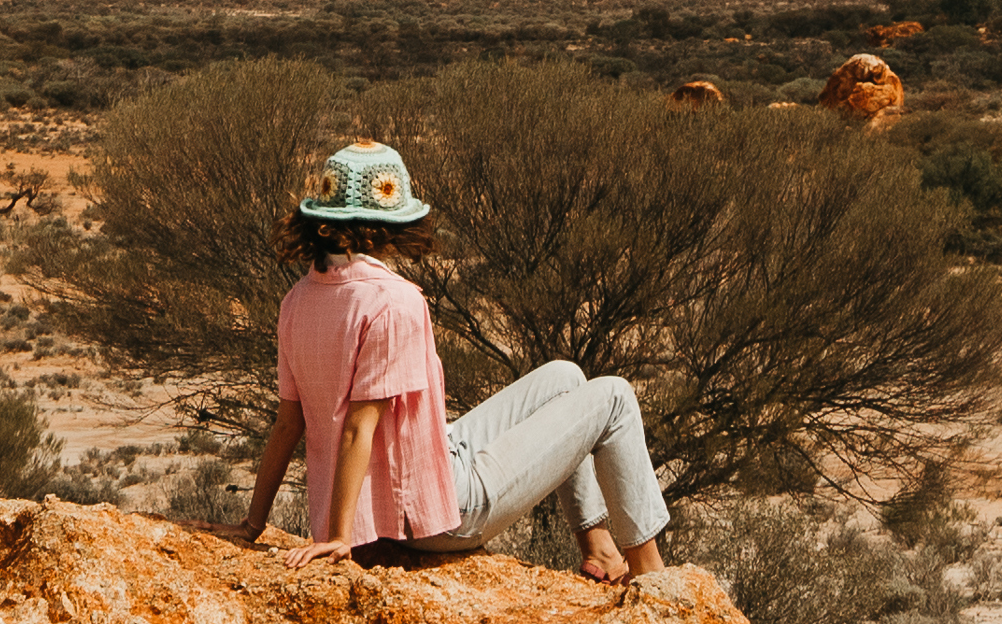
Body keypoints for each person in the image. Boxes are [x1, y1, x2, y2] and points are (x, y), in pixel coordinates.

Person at [235, 138, 674, 580]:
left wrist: (253, 525)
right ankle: (650, 573)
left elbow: (288, 424)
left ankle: (600, 551)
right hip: (438, 514)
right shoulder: (393, 302)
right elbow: (356, 427)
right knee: (615, 397)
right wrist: (340, 538)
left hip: (424, 469)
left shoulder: (297, 300)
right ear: (384, 225)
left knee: (566, 377)